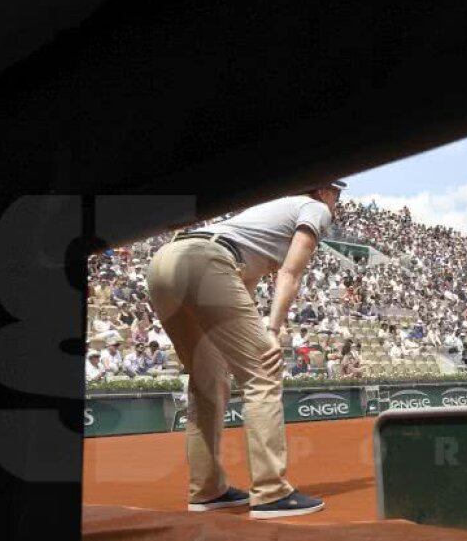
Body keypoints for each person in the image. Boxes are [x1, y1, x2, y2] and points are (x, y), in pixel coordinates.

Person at [146, 180, 347, 518]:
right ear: (325, 191)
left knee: (207, 383)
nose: (337, 202)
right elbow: (290, 273)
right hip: (207, 262)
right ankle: (271, 493)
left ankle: (207, 491)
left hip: (164, 263)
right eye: (338, 194)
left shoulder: (265, 212)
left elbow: (241, 286)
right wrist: (271, 329)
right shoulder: (314, 208)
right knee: (263, 371)